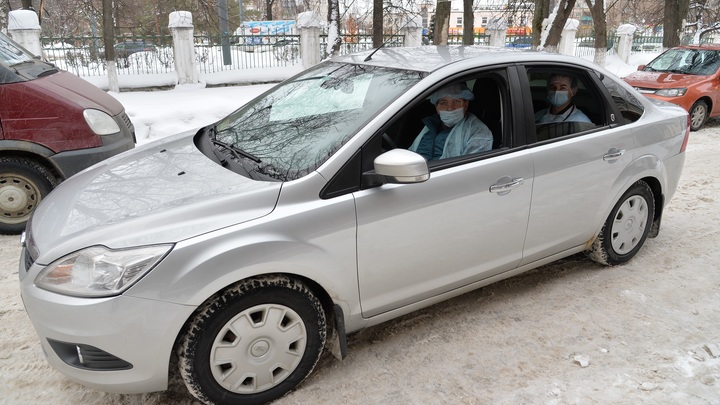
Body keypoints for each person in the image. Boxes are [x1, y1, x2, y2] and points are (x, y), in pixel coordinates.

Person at [408, 83, 494, 161]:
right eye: (444, 102)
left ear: (466, 105)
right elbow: (409, 155)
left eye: (456, 102)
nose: (450, 108)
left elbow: (470, 169)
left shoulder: (478, 132)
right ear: (436, 107)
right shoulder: (430, 125)